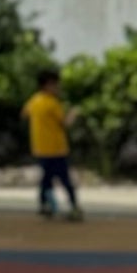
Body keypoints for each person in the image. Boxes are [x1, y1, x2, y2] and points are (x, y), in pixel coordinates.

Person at [22, 66, 83, 220]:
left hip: (40, 148)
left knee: (46, 179)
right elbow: (65, 123)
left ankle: (45, 205)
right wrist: (74, 114)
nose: (58, 88)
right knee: (64, 179)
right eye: (56, 85)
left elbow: (24, 114)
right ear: (48, 85)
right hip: (56, 148)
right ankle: (74, 206)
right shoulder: (53, 103)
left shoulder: (34, 100)